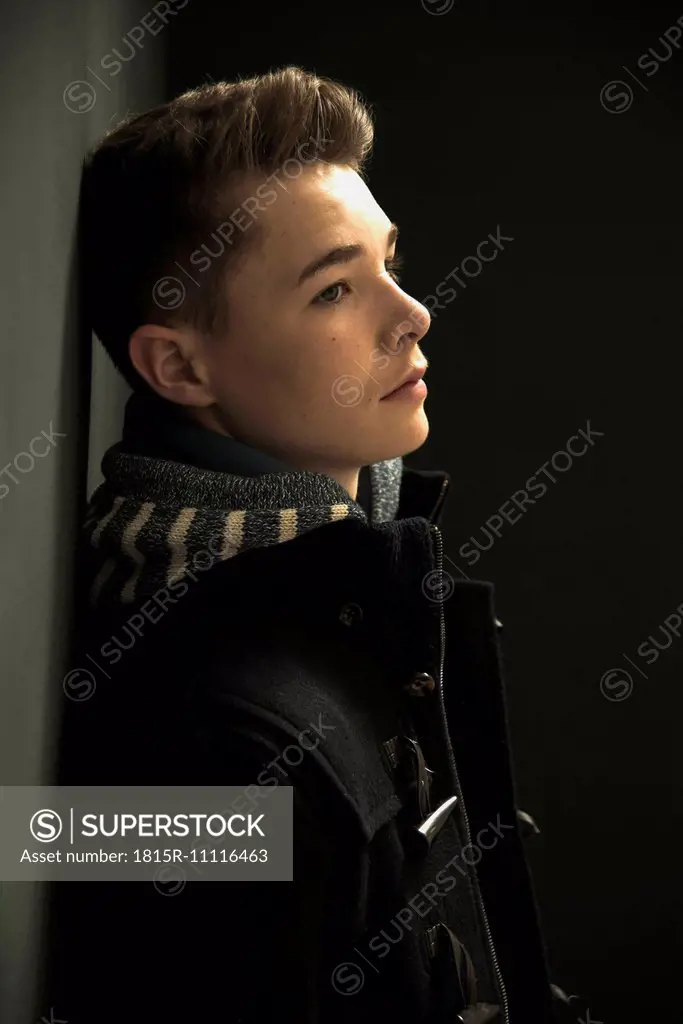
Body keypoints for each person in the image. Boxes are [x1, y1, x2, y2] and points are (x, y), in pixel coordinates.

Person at [45, 65, 589, 1024]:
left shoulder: (360, 579)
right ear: (177, 364)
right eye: (336, 289)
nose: (412, 315)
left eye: (390, 262)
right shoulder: (214, 735)